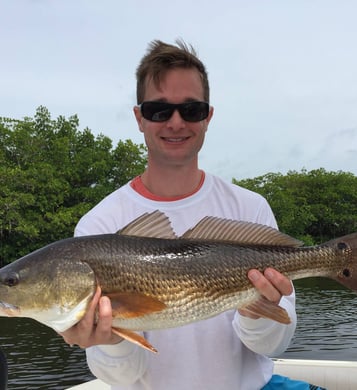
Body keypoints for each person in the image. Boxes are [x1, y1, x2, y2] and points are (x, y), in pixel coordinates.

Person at [60, 40, 324, 390]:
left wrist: (255, 307)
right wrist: (110, 341)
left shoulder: (250, 207)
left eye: (191, 110)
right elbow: (123, 377)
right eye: (158, 110)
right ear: (139, 118)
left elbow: (272, 345)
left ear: (208, 117)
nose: (175, 122)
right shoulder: (99, 224)